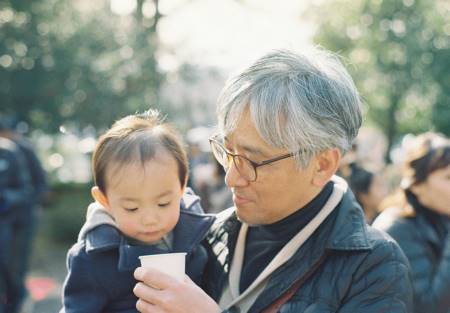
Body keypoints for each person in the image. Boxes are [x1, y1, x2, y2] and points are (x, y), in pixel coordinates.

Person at [132, 48, 413, 313]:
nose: (231, 177)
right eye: (228, 151)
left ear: (323, 165)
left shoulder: (375, 267)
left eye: (253, 161)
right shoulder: (206, 236)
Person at [60, 110, 215, 312]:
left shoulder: (200, 234)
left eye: (163, 203)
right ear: (104, 200)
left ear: (182, 187)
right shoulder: (91, 259)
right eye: (132, 208)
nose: (150, 219)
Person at [372, 132, 450, 313]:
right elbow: (427, 307)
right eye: (448, 177)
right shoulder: (397, 229)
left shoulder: (440, 216)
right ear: (416, 184)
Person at [0, 118, 48, 313]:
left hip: (22, 217)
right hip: (7, 218)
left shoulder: (19, 150)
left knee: (15, 267)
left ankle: (18, 304)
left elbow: (37, 186)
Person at [0, 136, 32, 313]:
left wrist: (5, 197)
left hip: (12, 223)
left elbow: (26, 190)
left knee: (10, 270)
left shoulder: (9, 152)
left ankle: (16, 304)